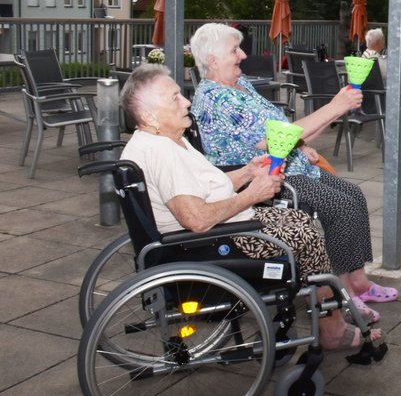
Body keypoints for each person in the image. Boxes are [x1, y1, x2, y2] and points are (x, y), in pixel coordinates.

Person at [119, 64, 382, 350]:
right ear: (148, 115)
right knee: (306, 238)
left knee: (298, 220)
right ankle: (331, 328)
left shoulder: (164, 141)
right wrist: (252, 195)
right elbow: (196, 218)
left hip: (213, 233)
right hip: (212, 242)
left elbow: (204, 189)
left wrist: (246, 173)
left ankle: (328, 310)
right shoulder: (163, 152)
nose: (186, 101)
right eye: (174, 98)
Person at [188, 24, 398, 320]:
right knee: (339, 206)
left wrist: (313, 133)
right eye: (235, 50)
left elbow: (286, 134)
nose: (243, 55)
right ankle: (341, 292)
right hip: (265, 177)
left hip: (289, 164)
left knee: (353, 195)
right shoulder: (218, 98)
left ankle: (358, 282)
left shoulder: (239, 84)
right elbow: (274, 139)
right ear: (212, 60)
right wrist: (335, 107)